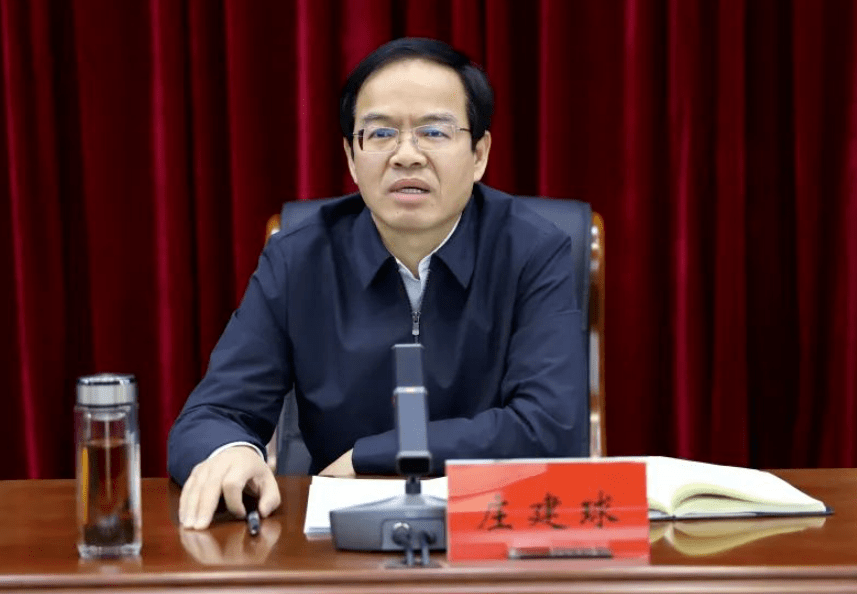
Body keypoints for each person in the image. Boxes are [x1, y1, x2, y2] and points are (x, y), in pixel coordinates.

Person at [169, 37, 586, 530]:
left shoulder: (533, 250)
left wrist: (370, 456)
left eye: (434, 132)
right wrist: (231, 452)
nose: (406, 156)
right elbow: (211, 415)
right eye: (381, 133)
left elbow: (551, 429)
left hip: (491, 535)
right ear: (351, 156)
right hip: (339, 542)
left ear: (479, 154)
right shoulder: (299, 258)